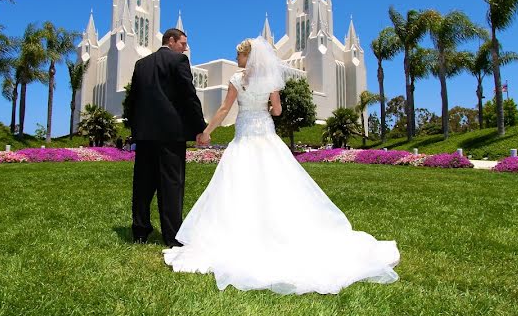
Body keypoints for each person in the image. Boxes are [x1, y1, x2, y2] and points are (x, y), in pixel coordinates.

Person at [163, 36, 400, 295]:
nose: (236, 59)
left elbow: (223, 109)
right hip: (265, 134)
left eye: (239, 55)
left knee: (239, 185)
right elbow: (277, 111)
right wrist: (266, 103)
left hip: (244, 136)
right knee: (275, 182)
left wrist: (207, 132)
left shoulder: (236, 80)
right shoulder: (270, 81)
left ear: (248, 57)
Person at [129, 28, 209, 247]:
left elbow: (132, 100)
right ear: (171, 41)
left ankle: (140, 231)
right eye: (183, 42)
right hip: (171, 135)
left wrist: (134, 128)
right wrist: (200, 128)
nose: (185, 47)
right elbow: (189, 96)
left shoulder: (141, 64)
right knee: (171, 184)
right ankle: (171, 235)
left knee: (143, 184)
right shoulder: (179, 61)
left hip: (145, 135)